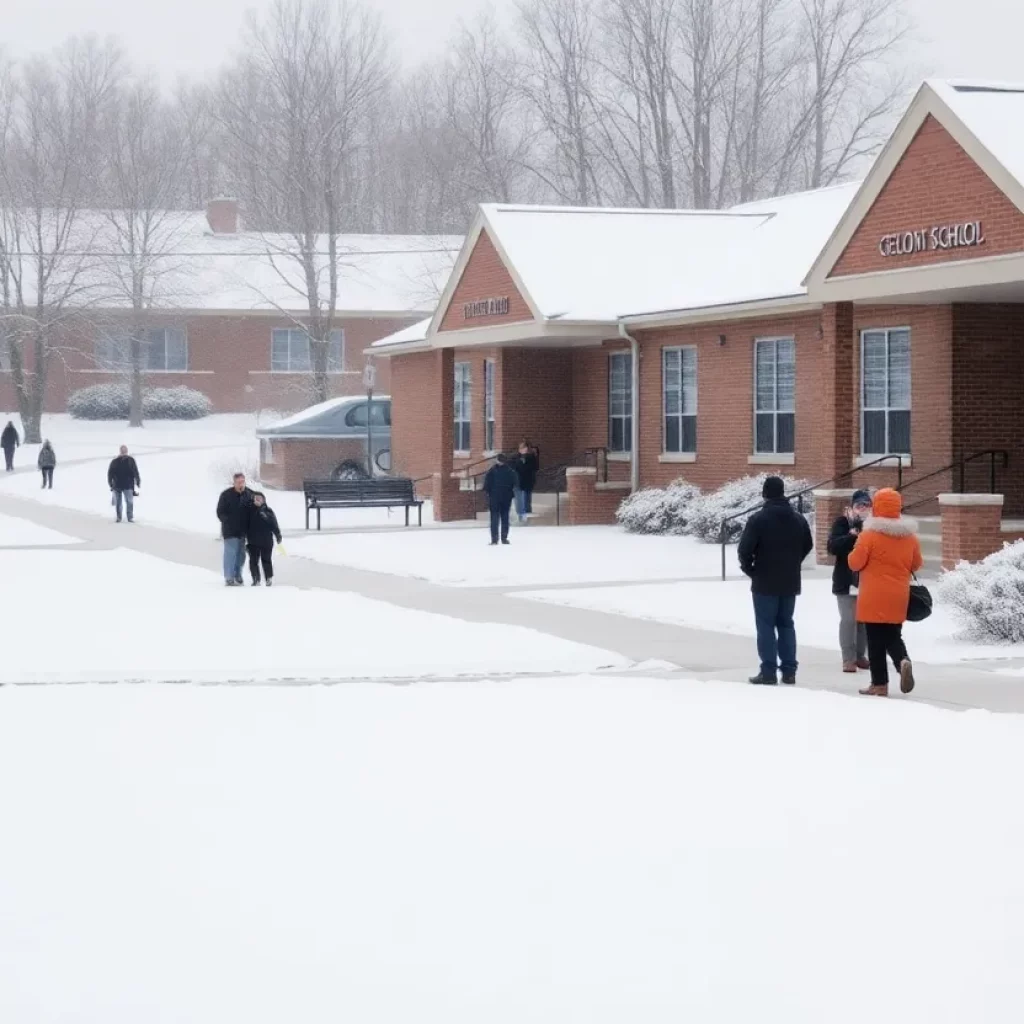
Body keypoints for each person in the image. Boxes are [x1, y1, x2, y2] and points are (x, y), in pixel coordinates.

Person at [738, 475, 814, 686]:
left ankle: (768, 671)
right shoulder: (798, 519)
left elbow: (744, 550)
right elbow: (808, 544)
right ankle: (789, 670)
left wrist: (750, 569)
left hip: (764, 580)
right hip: (790, 580)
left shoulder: (758, 519)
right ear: (783, 493)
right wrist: (793, 562)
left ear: (765, 494)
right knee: (786, 624)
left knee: (765, 625)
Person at [847, 487, 923, 697]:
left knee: (875, 640)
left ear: (877, 507)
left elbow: (855, 562)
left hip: (873, 595)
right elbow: (916, 564)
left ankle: (879, 684)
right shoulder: (910, 537)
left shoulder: (869, 535)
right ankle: (902, 661)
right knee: (893, 635)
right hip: (898, 594)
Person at [827, 488, 873, 673]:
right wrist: (851, 537)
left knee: (863, 620)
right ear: (852, 507)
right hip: (845, 579)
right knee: (848, 620)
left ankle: (861, 655)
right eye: (859, 505)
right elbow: (832, 546)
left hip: (867, 580)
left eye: (866, 505)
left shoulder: (873, 525)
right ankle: (848, 658)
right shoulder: (842, 523)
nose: (863, 508)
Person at [217, 472, 253, 586]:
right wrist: (227, 521)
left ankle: (238, 574)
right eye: (238, 482)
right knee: (230, 553)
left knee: (241, 555)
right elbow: (220, 512)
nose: (241, 484)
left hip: (243, 530)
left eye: (242, 482)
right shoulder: (226, 495)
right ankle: (229, 576)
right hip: (230, 530)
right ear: (234, 483)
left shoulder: (249, 494)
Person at [246, 491, 282, 587]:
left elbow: (274, 524)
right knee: (253, 561)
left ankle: (268, 578)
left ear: (264, 500)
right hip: (253, 541)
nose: (258, 500)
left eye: (260, 498)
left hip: (266, 541)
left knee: (266, 560)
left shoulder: (268, 511)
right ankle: (256, 578)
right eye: (256, 498)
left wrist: (278, 535)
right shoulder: (249, 511)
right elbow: (243, 525)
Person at [482, 452, 518, 546]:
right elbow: (515, 483)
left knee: (494, 517)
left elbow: (486, 484)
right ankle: (504, 538)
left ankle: (494, 539)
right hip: (506, 497)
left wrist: (489, 493)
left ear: (497, 460)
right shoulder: (510, 471)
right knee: (505, 517)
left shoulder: (492, 471)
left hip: (494, 497)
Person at [107, 445, 141, 523]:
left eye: (125, 451)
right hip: (117, 485)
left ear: (127, 451)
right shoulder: (114, 461)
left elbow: (135, 471)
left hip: (128, 485)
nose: (123, 452)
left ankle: (130, 517)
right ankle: (119, 517)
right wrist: (110, 483)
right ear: (120, 451)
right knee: (118, 503)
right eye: (122, 451)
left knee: (129, 501)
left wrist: (138, 480)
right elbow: (110, 473)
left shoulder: (131, 460)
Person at [513, 441, 540, 525]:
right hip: (517, 480)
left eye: (525, 448)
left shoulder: (531, 458)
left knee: (526, 496)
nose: (524, 450)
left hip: (528, 480)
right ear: (519, 449)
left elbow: (535, 468)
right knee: (518, 497)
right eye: (522, 448)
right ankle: (520, 513)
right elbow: (512, 467)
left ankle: (527, 511)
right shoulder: (515, 457)